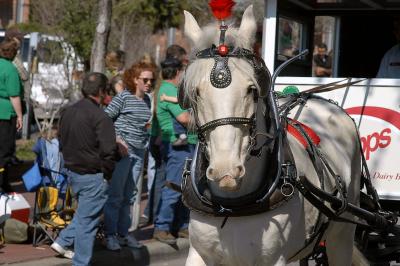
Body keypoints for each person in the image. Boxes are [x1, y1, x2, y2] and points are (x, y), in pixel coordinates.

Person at [51, 72, 118, 266]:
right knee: (87, 223)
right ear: (101, 91)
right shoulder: (100, 117)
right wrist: (108, 173)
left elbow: (61, 140)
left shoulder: (68, 112)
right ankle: (80, 263)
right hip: (92, 175)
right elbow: (108, 151)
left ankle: (63, 241)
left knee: (84, 216)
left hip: (74, 173)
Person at [102, 61, 156, 251]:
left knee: (130, 196)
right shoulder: (123, 97)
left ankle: (123, 234)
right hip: (123, 154)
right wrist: (117, 140)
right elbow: (104, 119)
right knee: (115, 196)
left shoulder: (148, 100)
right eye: (145, 79)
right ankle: (109, 235)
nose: (149, 83)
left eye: (152, 80)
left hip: (140, 152)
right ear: (134, 79)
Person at [141, 45, 188, 227]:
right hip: (164, 137)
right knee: (166, 180)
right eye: (183, 64)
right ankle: (159, 220)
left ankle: (153, 214)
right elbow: (178, 115)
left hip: (161, 135)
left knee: (163, 178)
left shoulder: (162, 84)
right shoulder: (166, 87)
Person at [153, 57, 197, 244]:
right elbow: (185, 118)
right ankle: (162, 227)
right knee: (174, 187)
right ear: (178, 72)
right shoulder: (169, 90)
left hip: (188, 145)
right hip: (178, 147)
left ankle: (182, 226)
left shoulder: (172, 90)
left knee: (185, 188)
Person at [0, 39, 23, 193]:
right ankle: (1, 184)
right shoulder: (10, 69)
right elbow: (14, 96)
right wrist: (20, 116)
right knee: (4, 151)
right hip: (6, 114)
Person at [5, 27, 29, 165]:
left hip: (17, 98)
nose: (21, 40)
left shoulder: (15, 53)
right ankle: (7, 159)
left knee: (12, 133)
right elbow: (23, 74)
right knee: (8, 133)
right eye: (18, 38)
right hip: (12, 101)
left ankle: (11, 155)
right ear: (12, 39)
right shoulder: (12, 55)